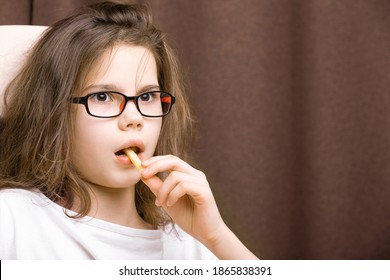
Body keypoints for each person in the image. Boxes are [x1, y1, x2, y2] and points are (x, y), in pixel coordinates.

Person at [0, 1, 258, 260]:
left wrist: (217, 236)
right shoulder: (13, 219)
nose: (134, 118)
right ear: (54, 113)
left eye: (147, 96)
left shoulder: (190, 244)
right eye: (102, 97)